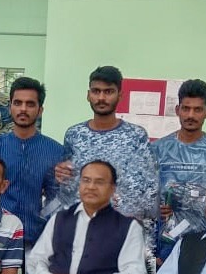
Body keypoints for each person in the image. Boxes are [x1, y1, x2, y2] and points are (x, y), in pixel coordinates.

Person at [55, 65, 159, 224]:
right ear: (88, 95)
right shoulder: (74, 135)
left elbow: (150, 190)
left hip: (121, 229)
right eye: (96, 91)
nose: (101, 98)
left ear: (120, 95)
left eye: (108, 91)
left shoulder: (136, 136)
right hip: (82, 228)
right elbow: (67, 185)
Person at [27, 160, 147, 274]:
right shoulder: (60, 219)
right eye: (86, 180)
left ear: (113, 188)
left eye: (99, 182)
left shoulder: (128, 227)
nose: (91, 187)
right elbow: (34, 261)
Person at [151, 79, 206, 260]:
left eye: (198, 110)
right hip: (162, 244)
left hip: (204, 243)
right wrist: (155, 207)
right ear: (177, 110)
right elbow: (144, 194)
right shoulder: (158, 149)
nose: (191, 115)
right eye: (186, 108)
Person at [0, 77, 62, 249]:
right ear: (10, 106)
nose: (23, 109)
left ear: (40, 110)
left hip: (36, 241)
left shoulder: (55, 151)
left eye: (30, 104)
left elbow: (56, 200)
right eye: (18, 103)